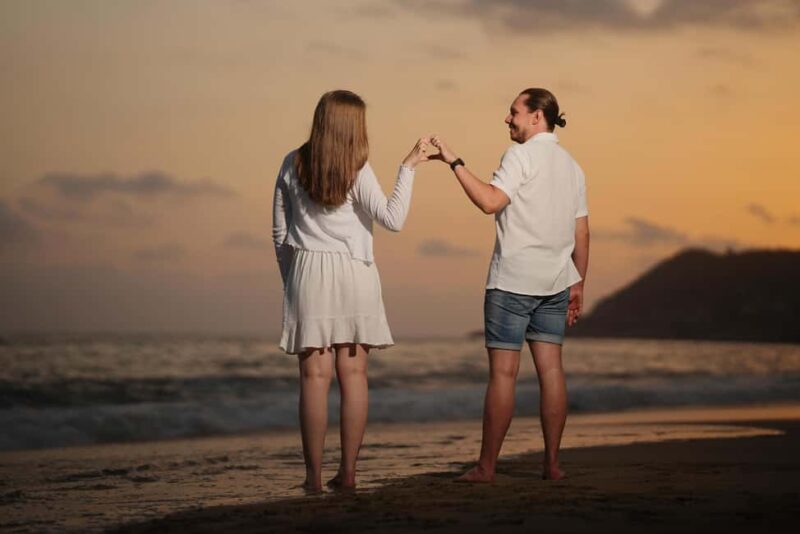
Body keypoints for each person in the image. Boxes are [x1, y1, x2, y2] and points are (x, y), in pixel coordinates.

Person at [272, 90, 429, 493]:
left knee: (313, 378)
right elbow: (393, 219)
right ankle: (349, 473)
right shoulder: (358, 169)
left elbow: (279, 233)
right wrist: (408, 167)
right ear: (352, 125)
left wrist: (292, 280)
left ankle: (312, 479)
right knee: (354, 374)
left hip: (308, 273)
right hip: (355, 275)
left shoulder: (292, 164)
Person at [429, 88, 589, 482]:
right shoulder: (572, 165)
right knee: (551, 372)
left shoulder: (520, 155)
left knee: (503, 375)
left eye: (513, 112)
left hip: (513, 281)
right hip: (556, 282)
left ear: (537, 117)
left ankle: (486, 467)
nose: (507, 119)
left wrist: (455, 162)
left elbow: (489, 201)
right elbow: (581, 232)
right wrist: (579, 283)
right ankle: (552, 465)